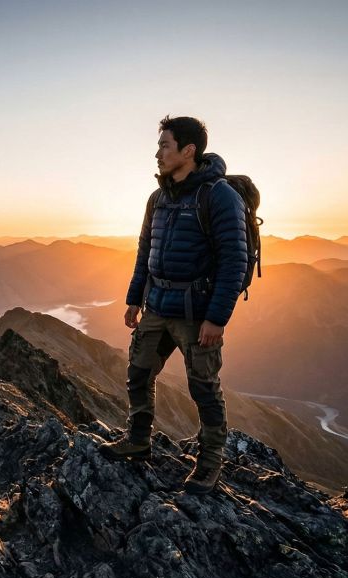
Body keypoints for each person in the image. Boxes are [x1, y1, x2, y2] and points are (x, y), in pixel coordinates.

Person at [99, 115, 248, 494]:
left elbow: (235, 260)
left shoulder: (218, 195)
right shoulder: (159, 197)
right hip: (157, 305)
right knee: (138, 372)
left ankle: (209, 464)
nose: (158, 153)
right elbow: (145, 250)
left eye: (165, 145)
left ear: (188, 150)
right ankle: (138, 439)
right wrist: (134, 297)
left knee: (203, 387)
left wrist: (216, 318)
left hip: (197, 313)